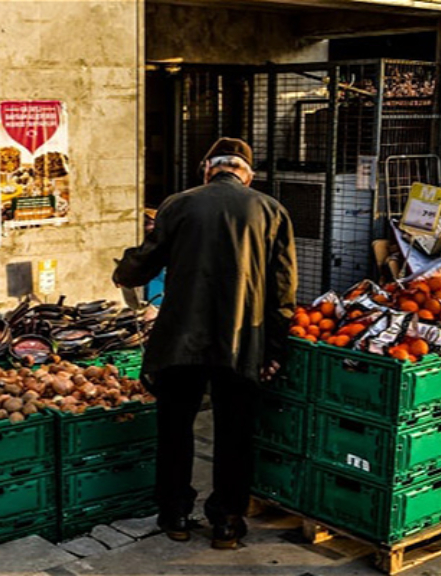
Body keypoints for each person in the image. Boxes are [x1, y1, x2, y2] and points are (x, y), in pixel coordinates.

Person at [113, 137, 297, 549]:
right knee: (235, 432)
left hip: (180, 340)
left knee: (175, 428)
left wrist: (123, 273)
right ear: (247, 174)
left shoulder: (178, 204)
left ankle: (175, 513)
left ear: (207, 168)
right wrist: (275, 349)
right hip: (241, 341)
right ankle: (227, 522)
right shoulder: (271, 210)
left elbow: (143, 262)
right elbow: (283, 292)